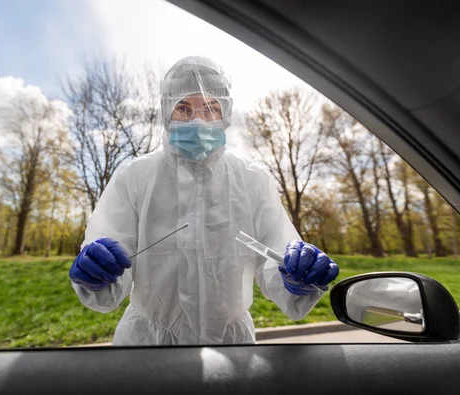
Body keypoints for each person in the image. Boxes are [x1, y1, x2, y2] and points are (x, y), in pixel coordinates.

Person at [69, 56, 340, 346]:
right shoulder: (134, 176)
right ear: (166, 113)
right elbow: (110, 269)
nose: (197, 119)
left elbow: (277, 255)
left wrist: (300, 276)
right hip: (147, 343)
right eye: (183, 108)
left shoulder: (252, 179)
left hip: (231, 344)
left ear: (225, 115)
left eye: (210, 108)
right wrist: (95, 273)